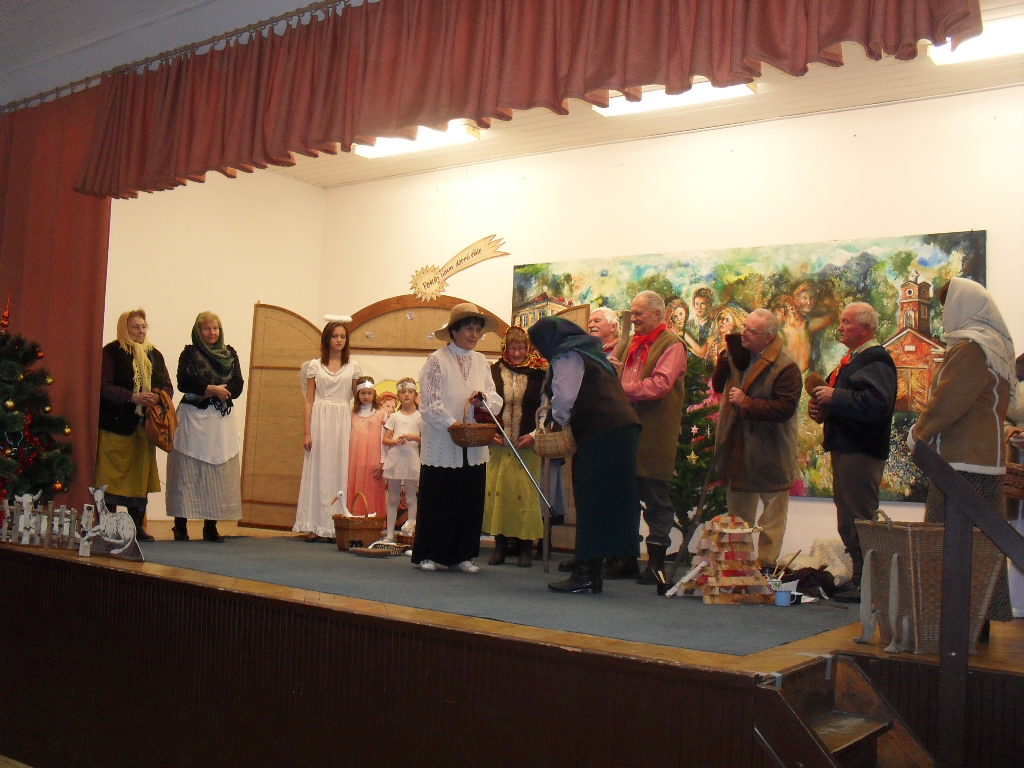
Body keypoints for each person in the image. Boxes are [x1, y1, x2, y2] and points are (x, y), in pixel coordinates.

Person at [909, 277, 1016, 623]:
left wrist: (918, 434)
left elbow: (948, 401)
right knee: (982, 545)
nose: (944, 314)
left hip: (959, 464)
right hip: (983, 461)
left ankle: (953, 622)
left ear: (961, 306)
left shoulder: (971, 348)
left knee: (949, 545)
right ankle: (976, 620)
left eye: (946, 306)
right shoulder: (993, 347)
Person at [529, 317, 642, 593]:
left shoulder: (566, 355)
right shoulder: (590, 352)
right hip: (621, 429)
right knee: (609, 500)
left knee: (591, 500)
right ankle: (598, 563)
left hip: (601, 431)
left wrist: (557, 421)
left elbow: (564, 398)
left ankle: (586, 574)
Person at [809, 302, 897, 601]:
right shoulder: (855, 360)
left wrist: (835, 396)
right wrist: (823, 408)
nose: (840, 327)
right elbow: (850, 401)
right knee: (849, 518)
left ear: (866, 328)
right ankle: (861, 578)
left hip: (861, 451)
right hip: (849, 449)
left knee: (860, 518)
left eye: (847, 322)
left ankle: (869, 583)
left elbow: (877, 405)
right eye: (841, 322)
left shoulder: (876, 359)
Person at [412, 302, 502, 573]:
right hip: (442, 441)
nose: (475, 335)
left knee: (469, 499)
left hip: (473, 445)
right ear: (454, 331)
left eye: (478, 330)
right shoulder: (437, 360)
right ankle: (430, 553)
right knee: (439, 497)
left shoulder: (481, 362)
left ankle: (464, 554)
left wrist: (482, 401)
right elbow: (429, 403)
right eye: (469, 329)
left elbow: (494, 398)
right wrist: (453, 425)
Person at [711, 307, 801, 567]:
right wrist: (723, 362)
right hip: (738, 451)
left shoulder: (786, 366)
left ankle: (766, 567)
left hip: (772, 452)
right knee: (737, 518)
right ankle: (739, 569)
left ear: (768, 337)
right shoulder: (736, 355)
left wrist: (746, 402)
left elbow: (784, 409)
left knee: (772, 519)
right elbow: (718, 386)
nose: (744, 334)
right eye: (745, 327)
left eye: (751, 331)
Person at [616, 290, 687, 583]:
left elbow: (659, 385)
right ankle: (624, 559)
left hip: (656, 433)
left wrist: (620, 388)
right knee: (625, 497)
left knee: (656, 498)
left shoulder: (673, 345)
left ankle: (655, 564)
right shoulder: (628, 344)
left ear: (658, 315)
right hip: (625, 430)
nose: (633, 319)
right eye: (632, 313)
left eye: (639, 313)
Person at [95, 308, 173, 542]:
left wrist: (156, 397)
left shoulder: (154, 355)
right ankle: (108, 526)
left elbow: (167, 387)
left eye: (143, 327)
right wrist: (132, 397)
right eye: (135, 327)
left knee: (139, 480)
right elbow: (103, 386)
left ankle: (137, 527)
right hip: (115, 425)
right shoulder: (111, 352)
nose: (140, 331)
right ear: (124, 328)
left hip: (143, 427)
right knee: (108, 479)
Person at [166, 311, 244, 543]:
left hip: (220, 421)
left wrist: (223, 391)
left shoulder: (230, 353)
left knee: (216, 473)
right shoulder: (189, 353)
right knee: (187, 471)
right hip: (193, 418)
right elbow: (183, 382)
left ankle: (211, 526)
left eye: (215, 328)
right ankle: (181, 525)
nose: (212, 333)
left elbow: (238, 383)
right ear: (198, 332)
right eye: (207, 329)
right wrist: (210, 389)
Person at [483, 326, 547, 567]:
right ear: (505, 348)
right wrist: (490, 432)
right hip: (499, 446)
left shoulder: (540, 374)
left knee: (526, 497)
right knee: (499, 494)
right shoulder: (493, 372)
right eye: (513, 348)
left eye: (521, 348)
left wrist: (535, 435)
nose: (517, 353)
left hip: (526, 446)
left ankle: (525, 548)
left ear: (528, 348)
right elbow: (484, 406)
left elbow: (546, 408)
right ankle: (500, 546)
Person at [294, 321, 362, 542]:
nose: (339, 340)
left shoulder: (353, 367)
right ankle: (313, 524)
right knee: (317, 471)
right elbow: (308, 401)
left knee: (338, 470)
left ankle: (335, 525)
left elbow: (360, 399)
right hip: (319, 421)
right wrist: (307, 432)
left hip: (342, 421)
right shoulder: (314, 366)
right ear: (327, 339)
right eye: (335, 336)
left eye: (342, 336)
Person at [382, 378, 422, 542]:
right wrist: (395, 441)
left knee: (411, 497)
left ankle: (410, 534)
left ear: (415, 395)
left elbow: (425, 439)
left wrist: (414, 437)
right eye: (403, 392)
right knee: (393, 498)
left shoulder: (420, 416)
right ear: (398, 396)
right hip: (395, 460)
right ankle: (390, 534)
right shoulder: (394, 417)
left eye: (410, 392)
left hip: (411, 461)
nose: (406, 395)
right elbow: (385, 439)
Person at [348, 375, 387, 519]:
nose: (366, 396)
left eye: (369, 393)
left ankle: (374, 521)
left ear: (374, 393)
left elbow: (384, 440)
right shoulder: (351, 414)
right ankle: (355, 518)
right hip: (355, 460)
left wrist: (383, 460)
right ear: (357, 394)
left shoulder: (381, 414)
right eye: (363, 393)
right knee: (356, 487)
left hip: (373, 459)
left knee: (373, 488)